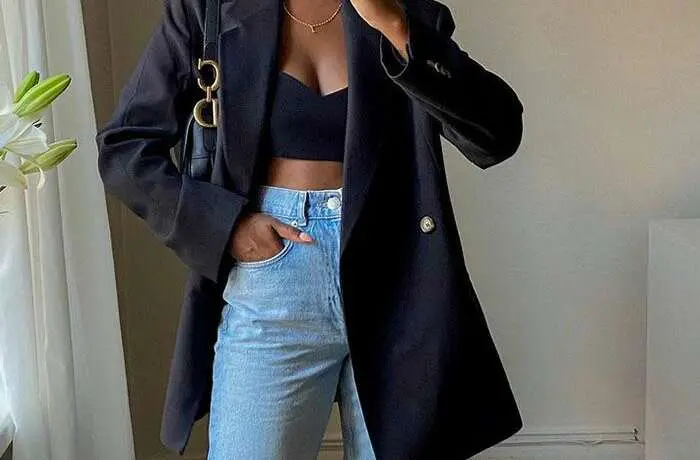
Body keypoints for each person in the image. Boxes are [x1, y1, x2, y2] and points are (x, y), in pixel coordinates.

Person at [96, 0, 525, 458]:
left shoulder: (407, 11)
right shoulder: (207, 9)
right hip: (273, 284)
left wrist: (395, 26)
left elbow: (497, 135)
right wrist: (228, 226)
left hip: (397, 280)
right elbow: (126, 147)